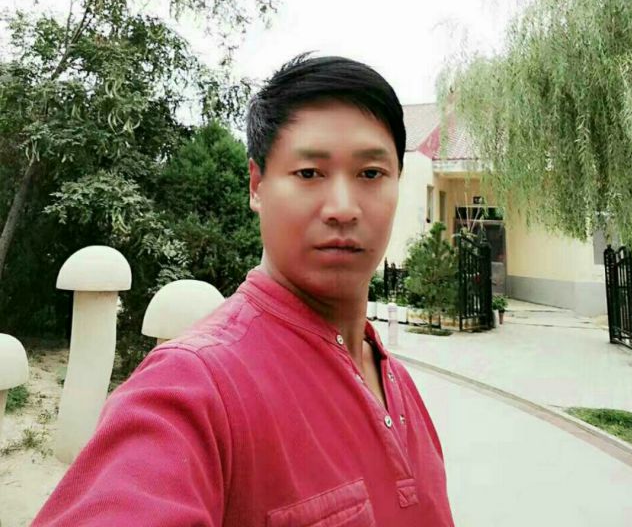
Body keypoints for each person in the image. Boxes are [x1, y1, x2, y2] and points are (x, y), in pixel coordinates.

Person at [32, 54, 454, 526]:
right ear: (257, 185)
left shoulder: (398, 383)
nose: (342, 208)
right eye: (309, 173)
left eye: (371, 173)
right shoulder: (196, 386)